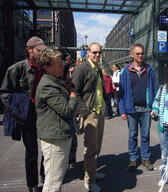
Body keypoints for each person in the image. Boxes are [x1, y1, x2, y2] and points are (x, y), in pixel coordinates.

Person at [0, 36, 47, 192]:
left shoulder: (45, 68)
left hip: (44, 113)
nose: (42, 54)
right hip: (27, 115)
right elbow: (4, 93)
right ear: (29, 50)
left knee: (46, 148)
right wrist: (18, 110)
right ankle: (32, 184)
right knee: (32, 150)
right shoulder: (16, 69)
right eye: (39, 51)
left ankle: (44, 175)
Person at [35, 48, 78, 192]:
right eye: (57, 64)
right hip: (55, 139)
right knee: (53, 184)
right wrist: (72, 95)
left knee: (53, 180)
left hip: (58, 136)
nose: (61, 67)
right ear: (46, 67)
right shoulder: (48, 85)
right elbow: (66, 110)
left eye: (61, 63)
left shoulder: (54, 81)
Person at [72, 42, 106, 192]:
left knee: (97, 146)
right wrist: (84, 111)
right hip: (90, 113)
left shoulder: (98, 68)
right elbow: (74, 91)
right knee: (91, 148)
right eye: (94, 52)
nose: (97, 55)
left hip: (100, 112)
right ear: (88, 52)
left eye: (99, 52)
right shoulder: (82, 68)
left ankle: (92, 172)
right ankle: (89, 180)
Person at [119, 43, 158, 172]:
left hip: (146, 109)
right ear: (132, 55)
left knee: (145, 135)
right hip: (131, 110)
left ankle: (146, 158)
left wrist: (155, 107)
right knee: (133, 135)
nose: (140, 56)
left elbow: (155, 89)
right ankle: (133, 159)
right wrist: (122, 110)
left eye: (142, 53)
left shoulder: (150, 70)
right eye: (137, 54)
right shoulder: (125, 71)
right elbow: (121, 93)